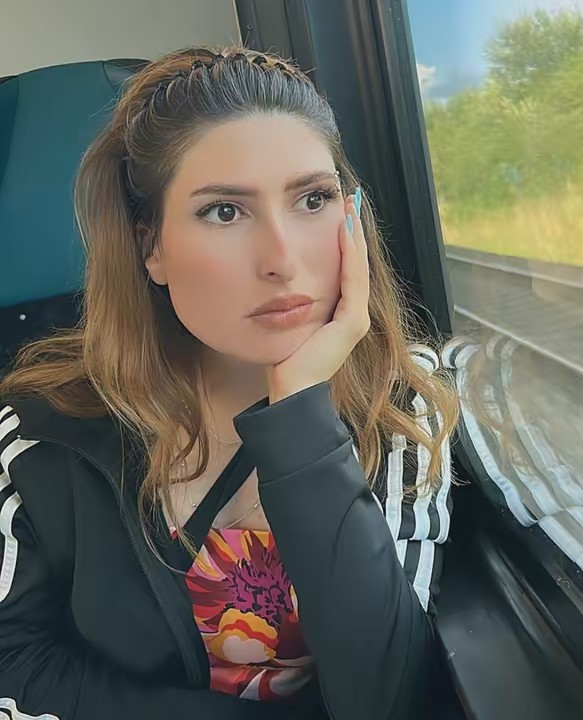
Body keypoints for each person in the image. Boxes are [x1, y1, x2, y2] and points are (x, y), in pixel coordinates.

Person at [0, 47, 459, 720]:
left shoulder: (400, 403)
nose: (282, 260)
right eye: (224, 211)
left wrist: (302, 414)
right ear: (151, 248)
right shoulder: (42, 429)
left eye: (312, 200)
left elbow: (389, 698)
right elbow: (13, 661)